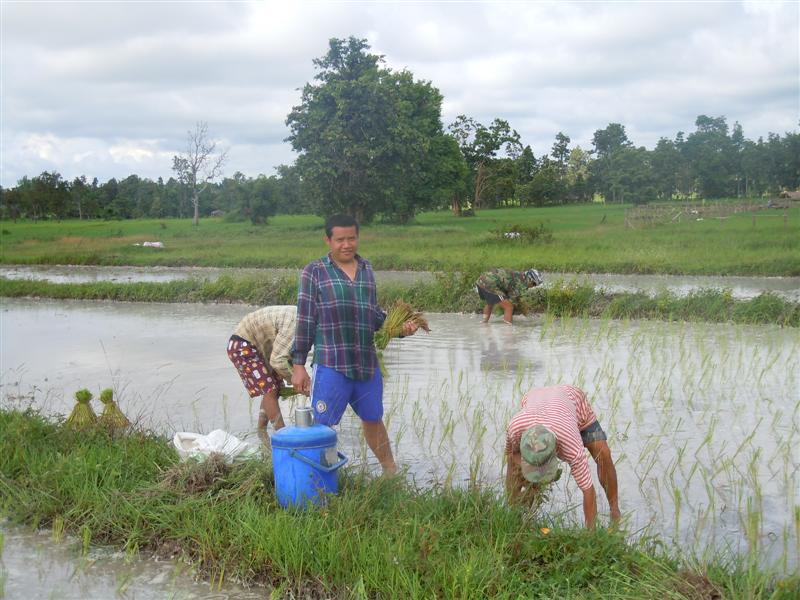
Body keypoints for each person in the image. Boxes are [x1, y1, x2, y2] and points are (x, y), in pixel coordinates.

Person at [291, 214, 418, 474]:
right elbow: (305, 319)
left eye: (352, 238)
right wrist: (298, 364)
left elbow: (373, 315)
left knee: (373, 418)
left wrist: (399, 330)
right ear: (328, 240)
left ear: (358, 238)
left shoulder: (366, 269)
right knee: (323, 425)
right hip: (332, 363)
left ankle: (390, 472)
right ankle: (320, 477)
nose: (346, 244)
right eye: (340, 240)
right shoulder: (314, 271)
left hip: (366, 364)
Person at [504, 384, 620, 529]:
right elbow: (511, 457)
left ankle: (615, 511)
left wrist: (592, 535)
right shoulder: (515, 427)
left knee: (603, 454)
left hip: (574, 404)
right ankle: (515, 514)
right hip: (535, 398)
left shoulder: (570, 443)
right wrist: (515, 495)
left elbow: (588, 489)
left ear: (555, 451)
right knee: (521, 473)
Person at [227, 305, 296, 432]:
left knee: (274, 389)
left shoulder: (302, 318)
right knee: (270, 390)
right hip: (242, 345)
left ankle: (261, 432)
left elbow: (288, 353)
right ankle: (283, 436)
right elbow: (278, 362)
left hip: (257, 346)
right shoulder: (295, 323)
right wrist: (297, 383)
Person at [475, 268, 543, 325]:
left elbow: (512, 295)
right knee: (509, 307)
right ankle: (507, 330)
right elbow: (514, 301)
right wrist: (527, 314)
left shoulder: (519, 276)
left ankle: (484, 323)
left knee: (490, 303)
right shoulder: (521, 283)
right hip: (489, 284)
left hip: (480, 281)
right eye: (534, 284)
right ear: (529, 279)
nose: (534, 286)